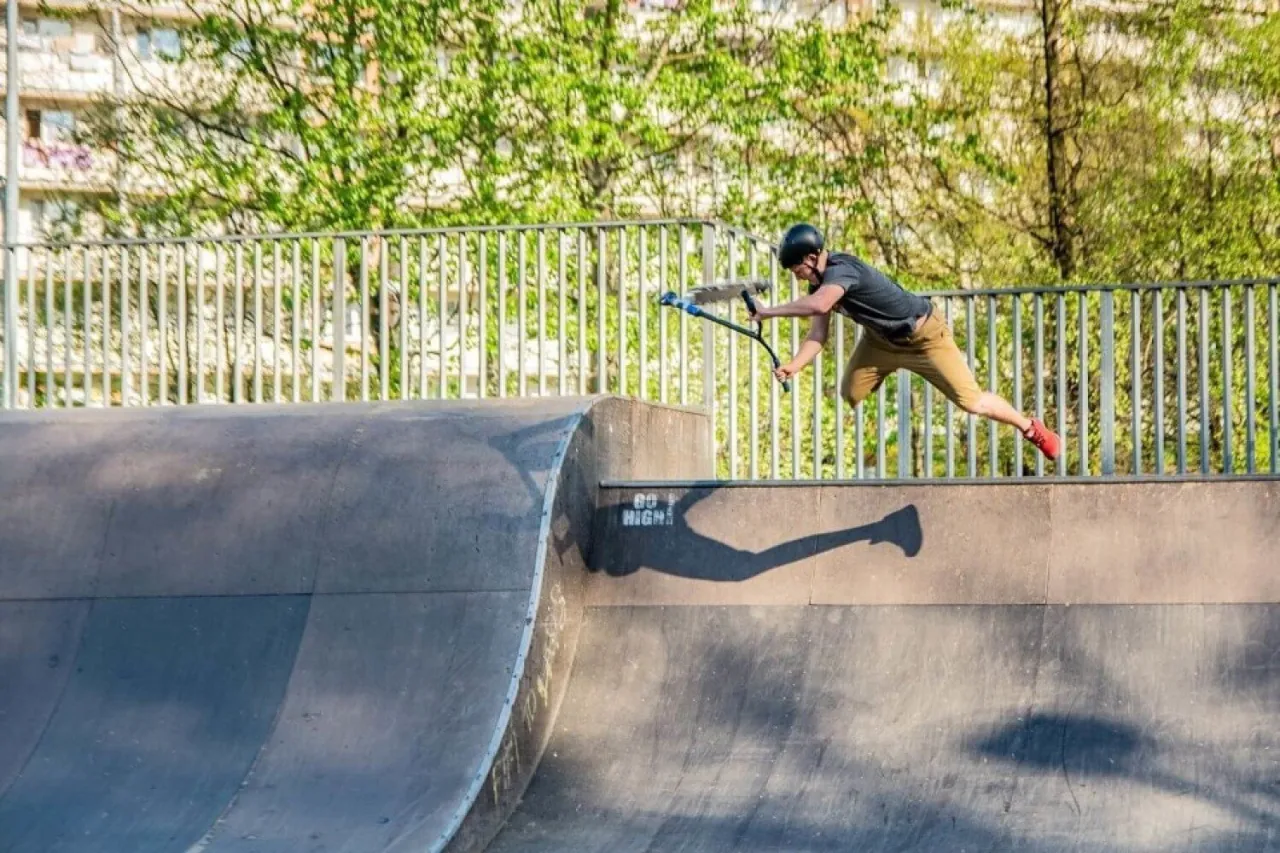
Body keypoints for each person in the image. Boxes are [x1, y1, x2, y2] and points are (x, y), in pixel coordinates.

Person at [747, 222, 1061, 461]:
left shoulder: (843, 270)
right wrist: (794, 365)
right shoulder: (820, 286)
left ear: (813, 257)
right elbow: (817, 334)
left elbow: (818, 306)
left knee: (971, 402)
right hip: (882, 342)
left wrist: (768, 312)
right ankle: (886, 372)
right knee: (850, 392)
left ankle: (1030, 427)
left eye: (798, 269)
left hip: (925, 337)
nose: (798, 277)